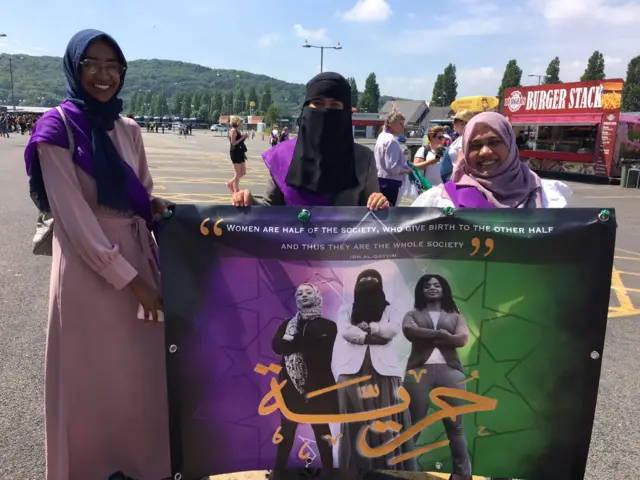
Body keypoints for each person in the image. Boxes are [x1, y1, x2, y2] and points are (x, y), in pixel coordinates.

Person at [23, 29, 171, 480]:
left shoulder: (128, 128)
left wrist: (156, 208)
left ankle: (141, 465)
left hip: (136, 257)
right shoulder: (55, 129)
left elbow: (140, 195)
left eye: (113, 65)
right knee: (88, 377)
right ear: (74, 67)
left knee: (139, 375)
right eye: (92, 63)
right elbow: (74, 219)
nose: (104, 75)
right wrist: (132, 281)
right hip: (90, 271)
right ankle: (87, 468)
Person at [230, 72, 388, 211]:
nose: (325, 111)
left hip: (342, 245)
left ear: (346, 112)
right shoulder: (283, 155)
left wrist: (379, 203)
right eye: (318, 103)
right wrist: (250, 203)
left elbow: (371, 217)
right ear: (306, 108)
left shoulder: (362, 158)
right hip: (291, 245)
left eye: (335, 105)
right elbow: (271, 209)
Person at [333, 269, 417, 472]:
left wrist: (369, 328)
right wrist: (375, 336)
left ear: (380, 285)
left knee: (386, 421)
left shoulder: (391, 310)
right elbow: (345, 331)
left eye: (373, 279)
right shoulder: (346, 309)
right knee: (354, 423)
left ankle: (388, 470)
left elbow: (393, 330)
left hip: (384, 374)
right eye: (363, 279)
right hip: (352, 372)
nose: (368, 281)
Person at [412, 111, 572, 209]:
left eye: (494, 142)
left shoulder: (545, 196)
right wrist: (388, 214)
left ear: (510, 144)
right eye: (475, 145)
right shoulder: (439, 201)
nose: (485, 152)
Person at [402, 275, 471, 480]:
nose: (432, 288)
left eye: (436, 285)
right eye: (427, 285)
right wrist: (440, 335)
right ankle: (406, 472)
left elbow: (462, 339)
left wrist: (442, 336)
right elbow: (409, 331)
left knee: (456, 427)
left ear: (443, 290)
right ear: (421, 291)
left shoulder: (455, 316)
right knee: (412, 426)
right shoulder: (411, 313)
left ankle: (462, 474)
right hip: (418, 372)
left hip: (451, 371)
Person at [271, 283, 338, 470]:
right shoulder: (286, 324)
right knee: (287, 433)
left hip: (318, 389)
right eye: (299, 293)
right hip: (290, 389)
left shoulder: (329, 326)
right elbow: (277, 347)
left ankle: (330, 473)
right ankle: (279, 472)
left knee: (322, 432)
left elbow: (318, 352)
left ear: (317, 296)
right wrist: (295, 342)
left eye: (308, 292)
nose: (304, 295)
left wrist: (291, 341)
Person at [375, 111, 413, 206]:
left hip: (380, 179)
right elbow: (392, 167)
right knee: (390, 210)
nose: (403, 126)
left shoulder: (381, 136)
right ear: (392, 124)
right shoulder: (391, 140)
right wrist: (406, 171)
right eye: (400, 124)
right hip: (390, 182)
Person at [440, 110, 473, 183]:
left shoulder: (464, 139)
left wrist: (453, 182)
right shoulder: (461, 138)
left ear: (462, 122)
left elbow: (460, 162)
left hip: (456, 180)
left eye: (454, 121)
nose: (452, 123)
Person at [227, 115, 248, 192]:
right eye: (240, 121)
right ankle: (236, 189)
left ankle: (230, 183)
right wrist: (242, 138)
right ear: (236, 122)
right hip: (235, 152)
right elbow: (233, 143)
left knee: (243, 172)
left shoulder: (237, 130)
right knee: (238, 173)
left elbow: (239, 142)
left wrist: (244, 138)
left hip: (240, 151)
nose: (241, 123)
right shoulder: (233, 130)